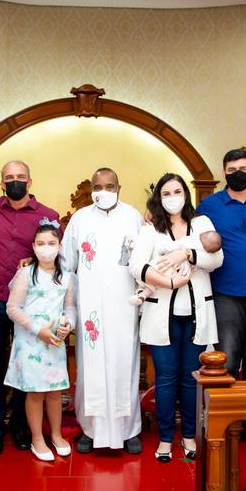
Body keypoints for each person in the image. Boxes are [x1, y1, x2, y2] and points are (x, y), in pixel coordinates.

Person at [130, 173, 223, 462]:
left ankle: (189, 436)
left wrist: (187, 253)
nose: (173, 197)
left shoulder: (201, 224)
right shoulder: (150, 229)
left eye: (177, 191)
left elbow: (217, 259)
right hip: (162, 315)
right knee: (167, 378)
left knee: (191, 379)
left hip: (197, 314)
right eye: (167, 192)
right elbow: (136, 266)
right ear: (159, 197)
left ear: (186, 194)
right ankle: (166, 437)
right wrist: (168, 282)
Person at [0, 161, 61, 456]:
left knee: (29, 367)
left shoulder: (48, 216)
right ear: (1, 183)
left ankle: (21, 427)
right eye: (9, 178)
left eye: (20, 177)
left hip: (32, 306)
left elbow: (55, 256)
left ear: (30, 181)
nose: (15, 181)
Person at [61, 167, 143, 454]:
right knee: (89, 366)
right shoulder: (80, 219)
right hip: (90, 306)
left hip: (124, 304)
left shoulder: (133, 217)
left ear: (119, 188)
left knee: (125, 363)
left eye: (109, 186)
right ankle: (90, 429)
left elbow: (144, 261)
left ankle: (128, 429)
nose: (103, 192)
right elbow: (66, 264)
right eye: (98, 186)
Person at [196, 149, 246, 380]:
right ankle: (226, 416)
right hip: (227, 294)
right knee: (226, 361)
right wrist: (152, 214)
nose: (237, 174)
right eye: (232, 170)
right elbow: (182, 223)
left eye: (242, 169)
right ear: (224, 172)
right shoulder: (209, 205)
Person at [4, 222, 76, 461]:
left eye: (52, 244)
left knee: (55, 391)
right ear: (33, 247)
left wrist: (69, 325)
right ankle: (37, 438)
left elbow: (70, 306)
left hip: (55, 342)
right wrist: (38, 329)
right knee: (35, 392)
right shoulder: (26, 274)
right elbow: (12, 308)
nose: (47, 249)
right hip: (31, 341)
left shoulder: (66, 277)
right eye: (41, 244)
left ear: (60, 246)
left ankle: (56, 434)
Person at [129, 230, 221, 305]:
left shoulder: (190, 240)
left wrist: (162, 248)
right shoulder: (204, 252)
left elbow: (172, 246)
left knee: (153, 272)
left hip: (168, 265)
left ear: (200, 234)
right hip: (180, 274)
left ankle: (141, 291)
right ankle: (143, 294)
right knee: (155, 283)